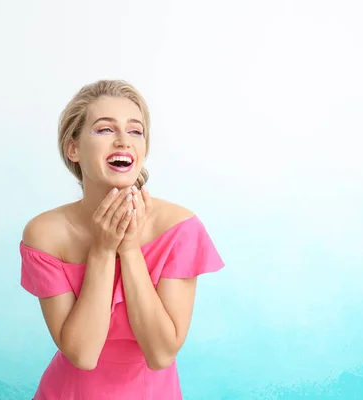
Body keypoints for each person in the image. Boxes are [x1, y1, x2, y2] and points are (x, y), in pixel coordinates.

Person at [19, 79, 225, 400]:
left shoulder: (180, 228)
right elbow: (83, 355)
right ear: (73, 148)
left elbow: (160, 354)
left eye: (135, 131)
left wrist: (129, 250)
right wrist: (102, 250)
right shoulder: (45, 234)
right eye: (104, 130)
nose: (123, 141)